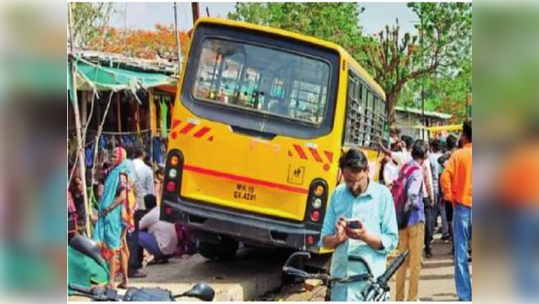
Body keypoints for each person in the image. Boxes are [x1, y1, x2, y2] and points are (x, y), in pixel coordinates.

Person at [320, 149, 398, 301]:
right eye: (348, 181)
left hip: (370, 286)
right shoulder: (338, 194)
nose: (354, 187)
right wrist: (337, 239)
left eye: (358, 181)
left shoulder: (383, 196)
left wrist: (365, 236)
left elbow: (391, 241)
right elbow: (324, 238)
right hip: (340, 284)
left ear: (367, 170)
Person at [93, 147, 136, 289]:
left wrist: (108, 209)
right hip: (114, 215)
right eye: (111, 156)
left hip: (114, 216)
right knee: (122, 247)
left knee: (112, 248)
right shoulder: (114, 171)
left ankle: (111, 281)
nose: (111, 158)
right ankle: (125, 280)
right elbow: (97, 175)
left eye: (114, 156)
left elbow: (122, 196)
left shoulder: (122, 173)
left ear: (121, 157)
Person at [441, 121, 472, 301]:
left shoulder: (457, 155)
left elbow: (445, 177)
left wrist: (451, 196)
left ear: (464, 136)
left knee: (461, 253)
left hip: (462, 208)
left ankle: (465, 296)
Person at [395, 140, 427, 302]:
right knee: (415, 263)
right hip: (414, 219)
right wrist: (413, 204)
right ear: (425, 154)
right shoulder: (417, 171)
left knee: (401, 261)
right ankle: (412, 298)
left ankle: (399, 298)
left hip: (401, 220)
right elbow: (413, 193)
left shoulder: (405, 168)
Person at [127, 147, 155, 278]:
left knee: (129, 235)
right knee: (136, 234)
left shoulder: (126, 167)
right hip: (140, 204)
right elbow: (150, 191)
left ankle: (130, 264)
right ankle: (134, 264)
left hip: (127, 205)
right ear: (142, 154)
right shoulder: (147, 169)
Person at [139, 194, 178, 265]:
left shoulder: (150, 215)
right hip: (173, 250)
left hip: (163, 250)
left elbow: (137, 227)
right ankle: (160, 257)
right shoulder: (161, 210)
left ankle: (136, 261)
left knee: (137, 235)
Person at [429, 139, 450, 241]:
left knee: (432, 211)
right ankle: (445, 233)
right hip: (442, 186)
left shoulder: (429, 158)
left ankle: (430, 233)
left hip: (433, 187)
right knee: (443, 211)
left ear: (432, 147)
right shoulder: (444, 158)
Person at [422, 144, 436, 259]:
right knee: (428, 223)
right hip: (424, 196)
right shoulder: (425, 163)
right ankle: (427, 248)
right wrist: (432, 197)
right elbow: (428, 182)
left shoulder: (409, 162)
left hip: (412, 199)